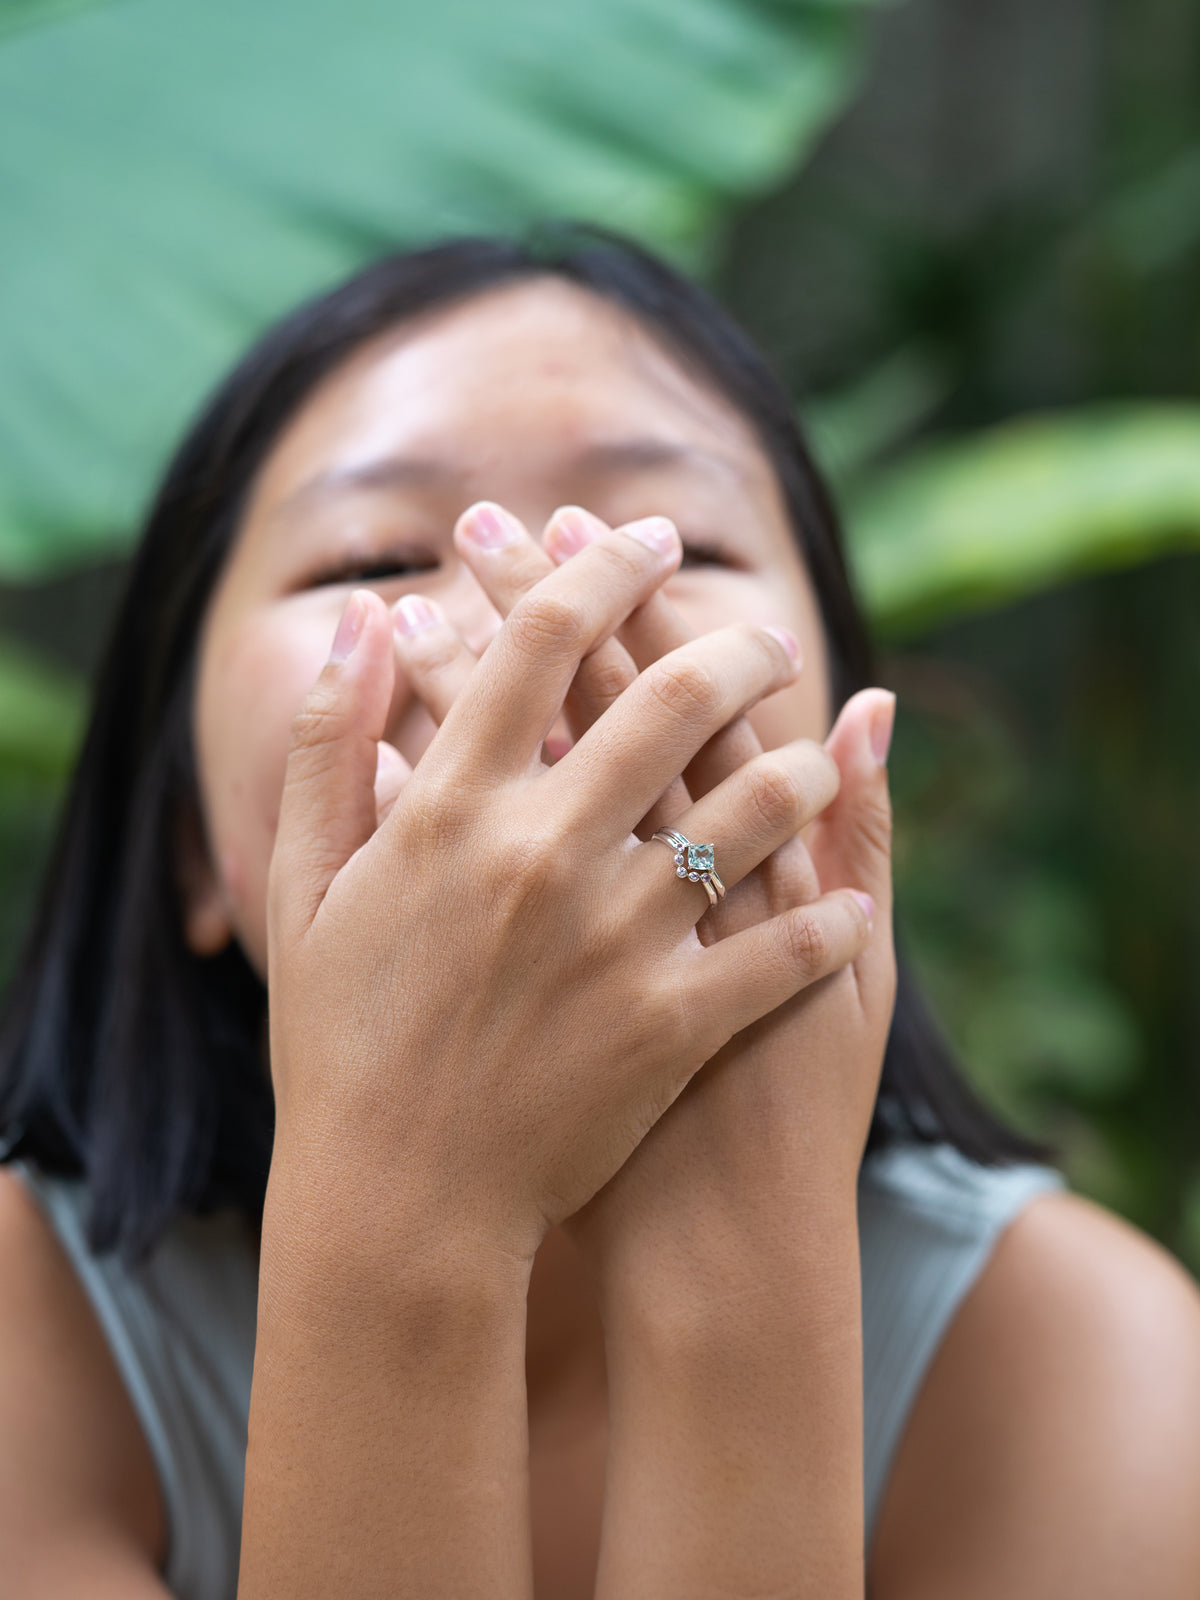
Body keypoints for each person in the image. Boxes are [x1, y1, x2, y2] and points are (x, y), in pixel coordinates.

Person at [0, 231, 1197, 1600]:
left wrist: (740, 1291)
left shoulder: (1088, 1362)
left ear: (851, 782)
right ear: (191, 855)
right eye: (374, 555)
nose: (543, 629)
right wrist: (410, 1204)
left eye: (671, 543)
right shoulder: (30, 1348)